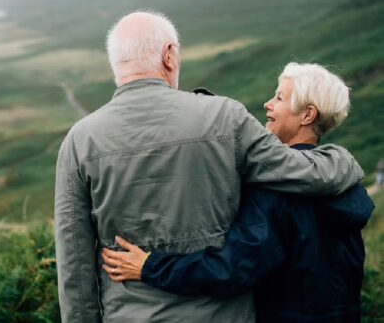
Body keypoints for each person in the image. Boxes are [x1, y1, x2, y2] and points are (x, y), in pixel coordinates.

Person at [54, 11, 364, 323]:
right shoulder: (226, 118)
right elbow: (302, 172)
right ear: (169, 55)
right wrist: (343, 160)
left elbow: (74, 263)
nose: (270, 104)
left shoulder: (79, 141)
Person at [101, 63, 374, 322]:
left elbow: (232, 270)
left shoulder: (276, 192)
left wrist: (149, 267)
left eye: (279, 98)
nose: (268, 104)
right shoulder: (345, 186)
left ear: (307, 115)